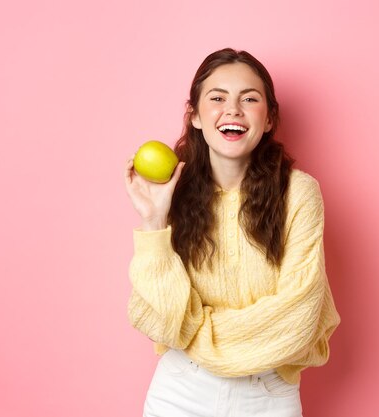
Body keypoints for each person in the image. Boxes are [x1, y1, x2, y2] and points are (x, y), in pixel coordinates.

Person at [123, 48, 340, 417]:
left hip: (268, 396)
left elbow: (297, 321)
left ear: (269, 119)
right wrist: (154, 221)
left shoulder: (299, 193)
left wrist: (191, 330)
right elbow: (156, 320)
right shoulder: (170, 194)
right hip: (180, 392)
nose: (233, 109)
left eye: (250, 99)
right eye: (217, 97)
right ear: (194, 116)